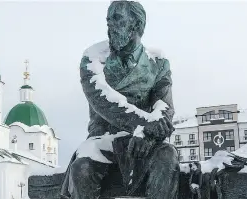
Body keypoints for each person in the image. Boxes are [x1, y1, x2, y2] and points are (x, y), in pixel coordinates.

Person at [60, 1, 179, 199]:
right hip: (103, 139)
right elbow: (104, 101)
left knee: (167, 157)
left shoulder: (158, 64)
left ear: (137, 25)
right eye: (108, 20)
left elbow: (164, 106)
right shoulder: (93, 58)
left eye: (117, 19)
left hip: (143, 141)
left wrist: (148, 135)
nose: (110, 26)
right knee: (82, 168)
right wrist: (145, 125)